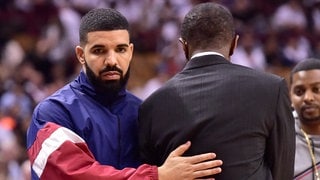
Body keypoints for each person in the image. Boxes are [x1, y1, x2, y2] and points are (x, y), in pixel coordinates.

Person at [26, 8, 223, 180]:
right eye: (99, 50)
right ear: (80, 55)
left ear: (130, 52)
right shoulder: (52, 114)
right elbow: (74, 176)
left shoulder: (144, 112)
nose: (112, 60)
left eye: (120, 49)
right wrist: (157, 176)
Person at [138, 2, 295, 179]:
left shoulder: (151, 104)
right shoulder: (272, 89)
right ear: (234, 44)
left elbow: (151, 174)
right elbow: (283, 170)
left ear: (183, 46)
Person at [289, 58, 320, 179]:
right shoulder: (279, 138)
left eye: (317, 89)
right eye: (299, 91)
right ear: (290, 98)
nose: (308, 97)